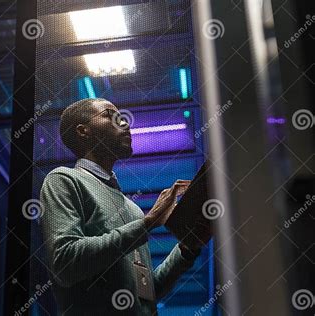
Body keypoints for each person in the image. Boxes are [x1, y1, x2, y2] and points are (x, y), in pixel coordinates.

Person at [39, 98, 209, 315]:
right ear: (83, 131)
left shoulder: (132, 208)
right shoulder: (63, 179)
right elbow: (65, 264)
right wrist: (147, 223)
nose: (126, 123)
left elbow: (148, 292)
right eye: (111, 116)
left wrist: (185, 249)